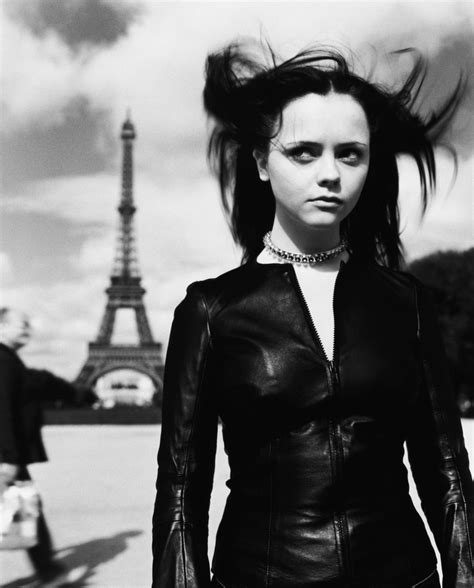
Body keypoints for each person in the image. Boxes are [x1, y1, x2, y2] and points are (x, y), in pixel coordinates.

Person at [152, 41, 473, 588]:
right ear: (260, 161)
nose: (331, 173)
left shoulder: (406, 303)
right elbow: (182, 488)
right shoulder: (211, 310)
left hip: (403, 577)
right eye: (303, 152)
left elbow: (445, 468)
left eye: (351, 153)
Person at [0, 307, 96, 585]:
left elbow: (34, 386)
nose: (28, 328)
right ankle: (49, 570)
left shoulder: (9, 361)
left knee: (29, 508)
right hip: (5, 455)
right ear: (2, 327)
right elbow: (2, 410)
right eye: (22, 324)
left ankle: (48, 569)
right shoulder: (4, 362)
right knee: (30, 509)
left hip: (7, 453)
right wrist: (7, 456)